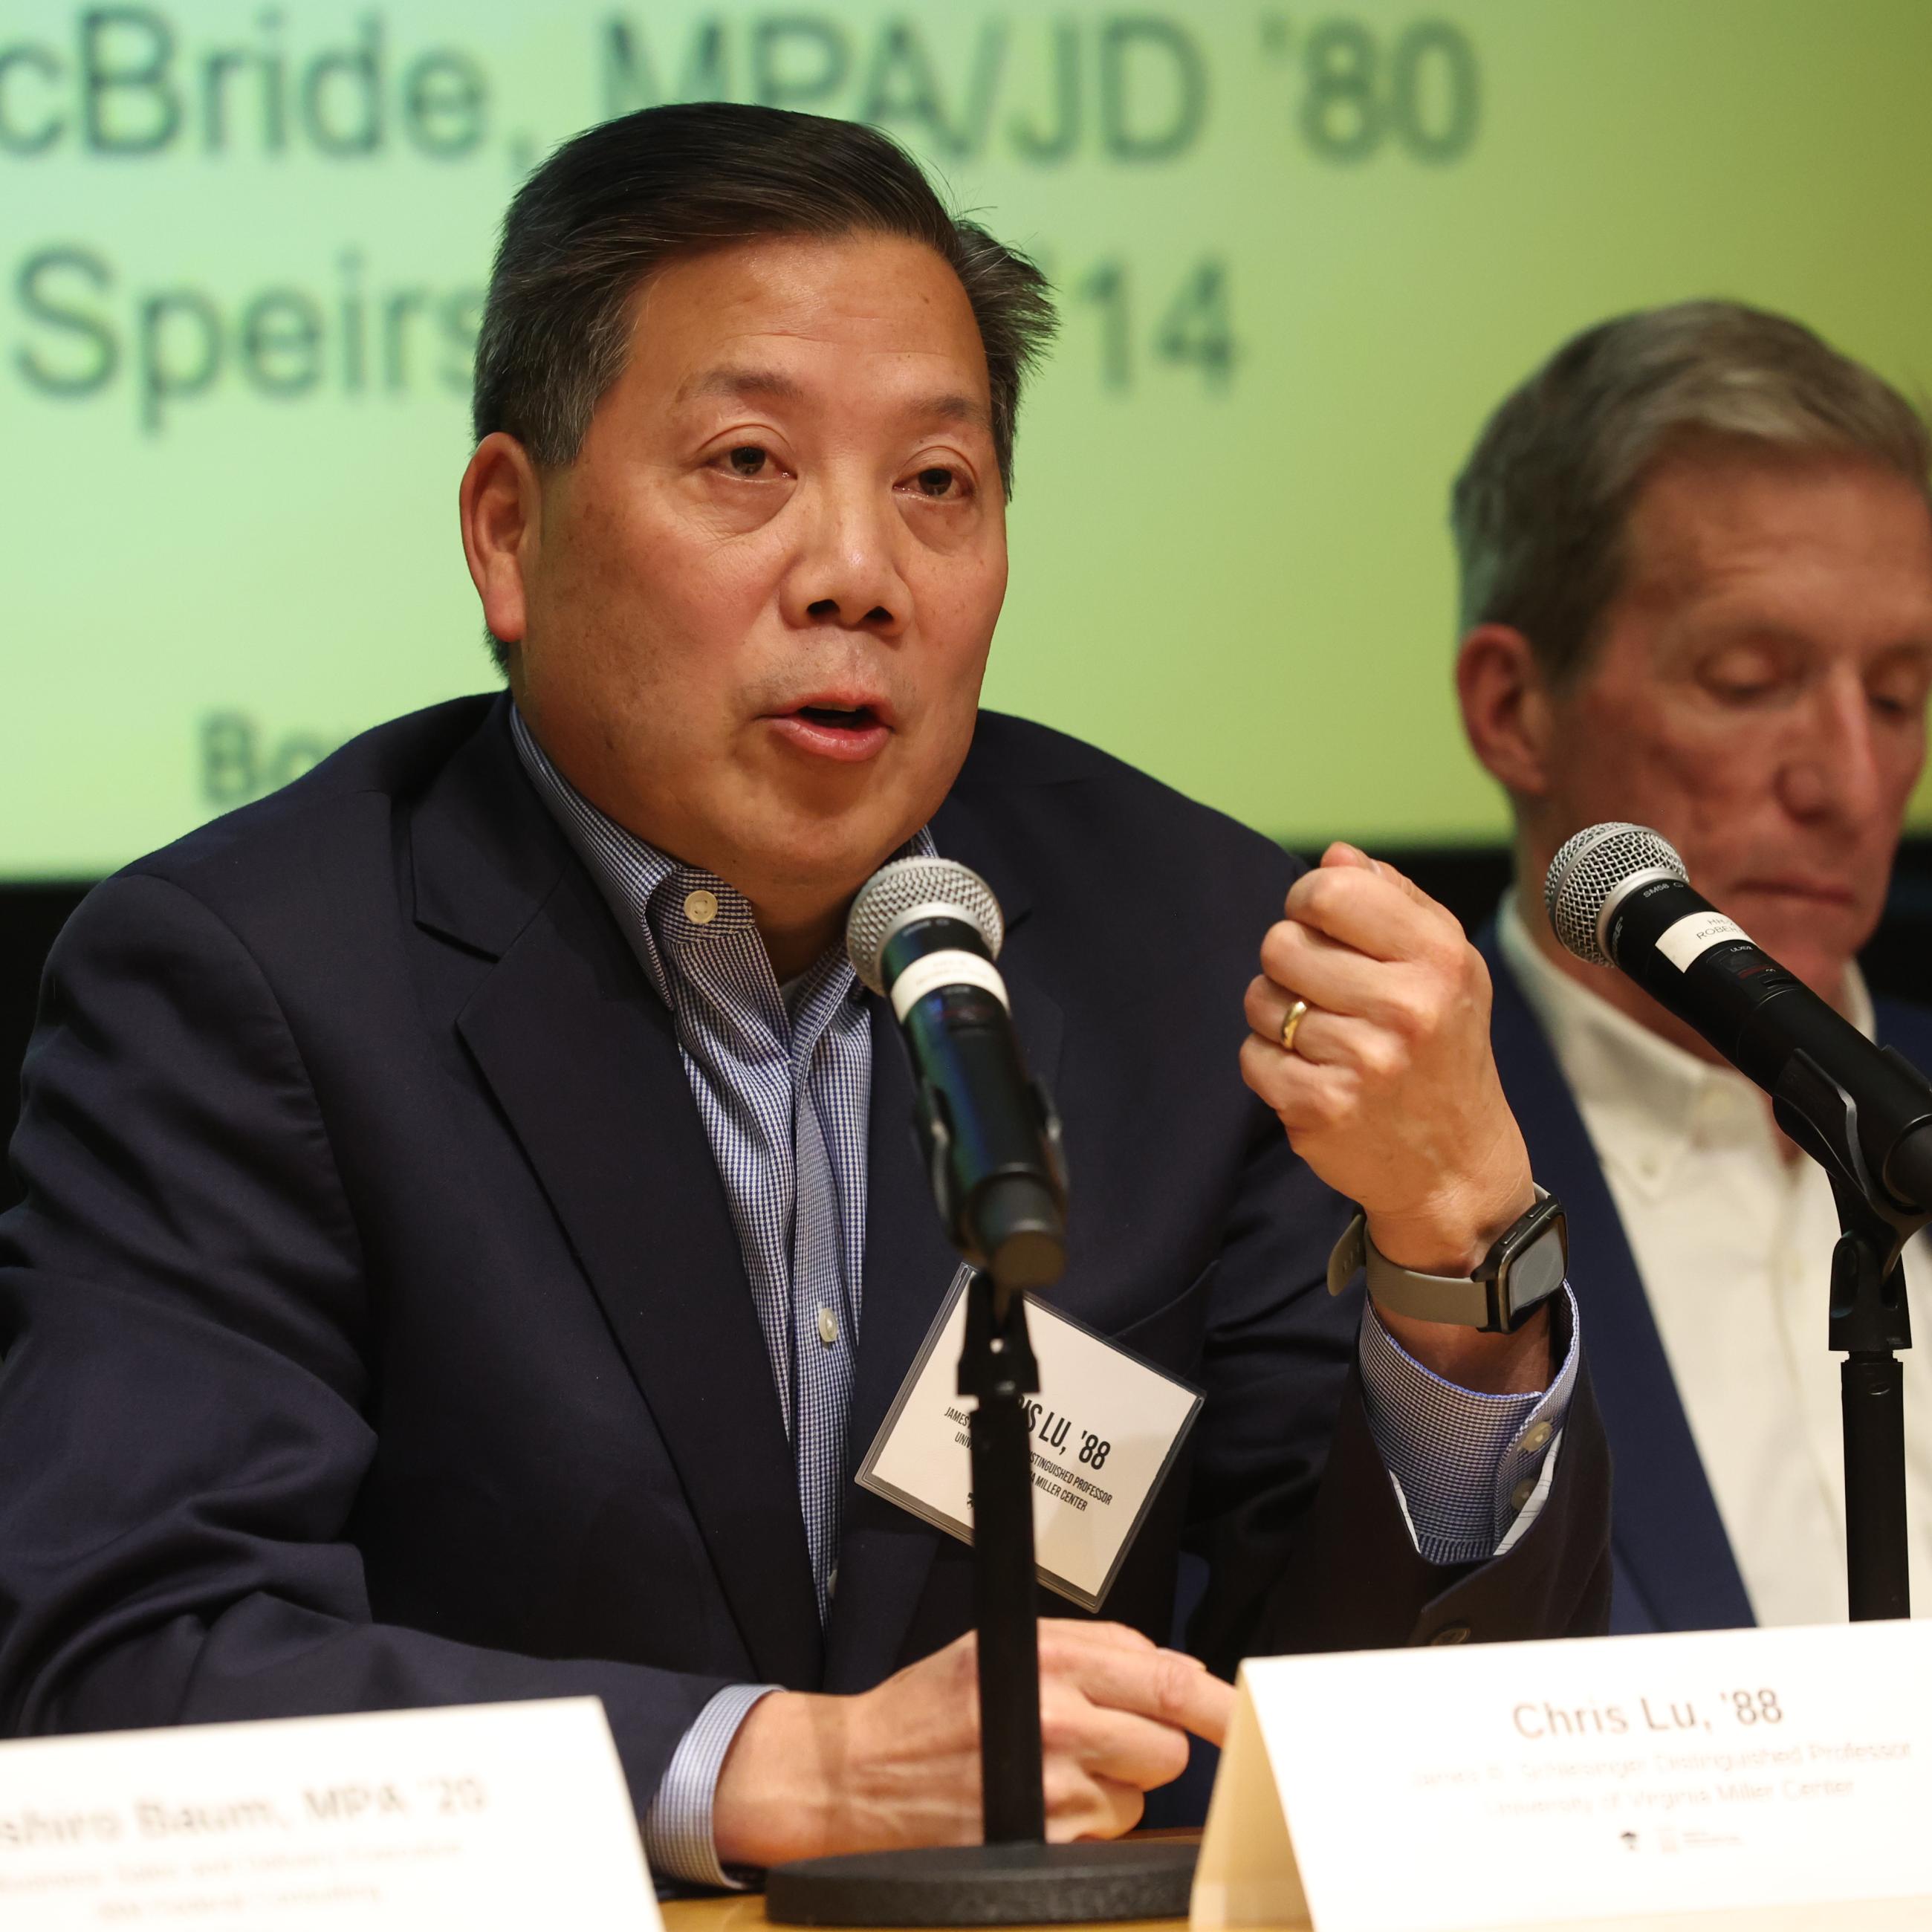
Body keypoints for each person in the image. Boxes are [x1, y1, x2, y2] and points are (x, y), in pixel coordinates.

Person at [0, 103, 1607, 1884]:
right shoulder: (253, 978)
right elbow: (131, 1666)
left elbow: (1362, 1736)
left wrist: (1459, 1265)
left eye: (939, 484)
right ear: (508, 535)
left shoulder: (1190, 941)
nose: (861, 573)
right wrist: (760, 1772)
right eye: (749, 461)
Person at [1453, 299, 1932, 1633]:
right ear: (1513, 709)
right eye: (1747, 678)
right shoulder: (1354, 1173)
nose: (1845, 780)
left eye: (1897, 699)